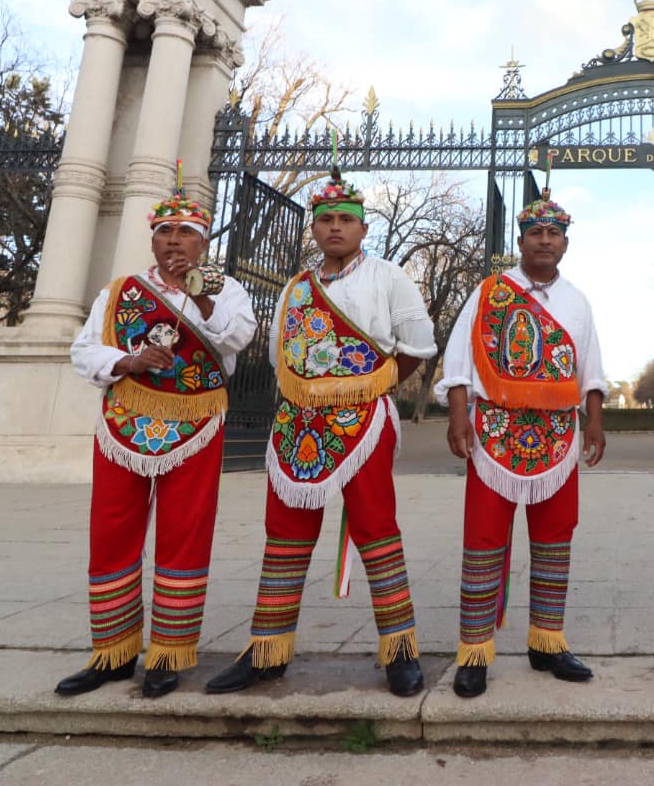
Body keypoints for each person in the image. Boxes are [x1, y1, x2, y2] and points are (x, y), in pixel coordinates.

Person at [206, 168, 437, 698]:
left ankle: (400, 650)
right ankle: (267, 649)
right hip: (297, 425)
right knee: (284, 535)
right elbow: (279, 357)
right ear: (313, 230)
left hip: (361, 423)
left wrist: (371, 389)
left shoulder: (387, 276)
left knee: (378, 530)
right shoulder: (294, 287)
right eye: (326, 220)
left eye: (345, 220)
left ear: (362, 229)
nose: (335, 228)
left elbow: (418, 346)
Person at [59, 178, 256, 699]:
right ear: (151, 239)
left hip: (196, 422)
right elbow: (84, 350)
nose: (174, 241)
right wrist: (129, 361)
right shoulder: (120, 291)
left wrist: (202, 296)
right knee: (111, 529)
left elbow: (238, 338)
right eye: (165, 231)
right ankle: (113, 652)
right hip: (127, 420)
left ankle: (169, 653)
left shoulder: (225, 289)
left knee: (185, 532)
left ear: (203, 243)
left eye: (185, 232)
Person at [436, 187, 608, 698]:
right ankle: (474, 650)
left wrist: (594, 421)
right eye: (535, 232)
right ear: (520, 240)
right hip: (494, 434)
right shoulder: (489, 291)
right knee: (484, 537)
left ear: (565, 244)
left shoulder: (577, 301)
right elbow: (459, 361)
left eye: (554, 233)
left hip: (557, 435)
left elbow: (590, 368)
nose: (545, 240)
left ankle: (547, 641)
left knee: (556, 537)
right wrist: (458, 417)